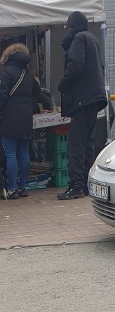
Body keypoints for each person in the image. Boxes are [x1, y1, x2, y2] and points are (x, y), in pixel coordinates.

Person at [57, 11, 108, 200]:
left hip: (82, 99)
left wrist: (62, 84)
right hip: (94, 98)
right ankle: (87, 182)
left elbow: (75, 67)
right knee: (88, 143)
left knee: (76, 144)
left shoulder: (79, 39)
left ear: (72, 26)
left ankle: (76, 184)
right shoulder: (92, 39)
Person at [0, 43, 40, 199]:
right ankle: (23, 187)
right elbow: (37, 92)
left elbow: (2, 96)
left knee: (10, 153)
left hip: (10, 117)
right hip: (25, 117)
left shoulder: (6, 72)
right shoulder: (28, 73)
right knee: (24, 153)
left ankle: (11, 189)